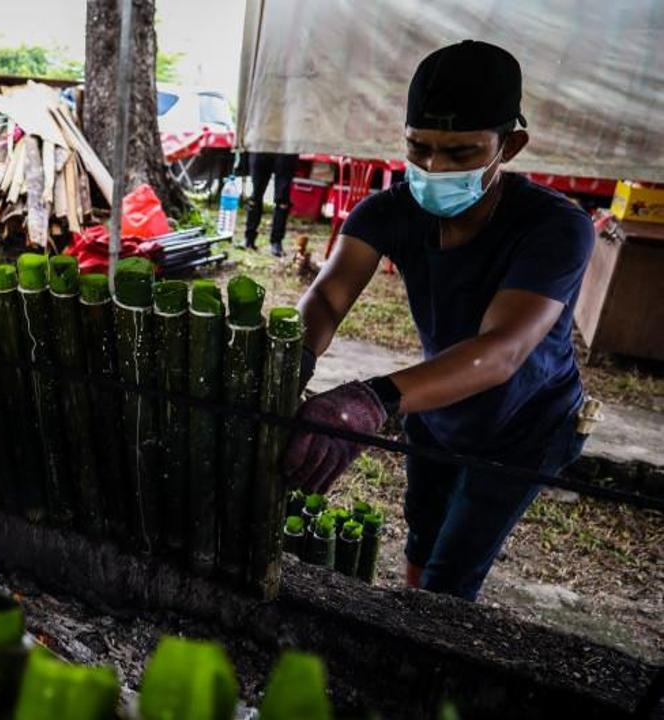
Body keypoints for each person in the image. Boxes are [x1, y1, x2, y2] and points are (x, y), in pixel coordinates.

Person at [282, 41, 594, 601]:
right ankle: (411, 627)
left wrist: (371, 399)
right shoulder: (389, 211)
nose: (433, 168)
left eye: (460, 152)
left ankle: (426, 661)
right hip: (438, 401)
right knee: (421, 545)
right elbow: (328, 298)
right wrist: (291, 360)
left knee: (454, 572)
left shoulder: (556, 228)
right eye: (419, 148)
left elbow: (500, 350)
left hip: (525, 422)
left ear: (511, 146)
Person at [244, 151, 299, 257]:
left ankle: (276, 242)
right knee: (255, 194)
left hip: (287, 147)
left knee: (282, 198)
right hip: (262, 145)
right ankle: (248, 238)